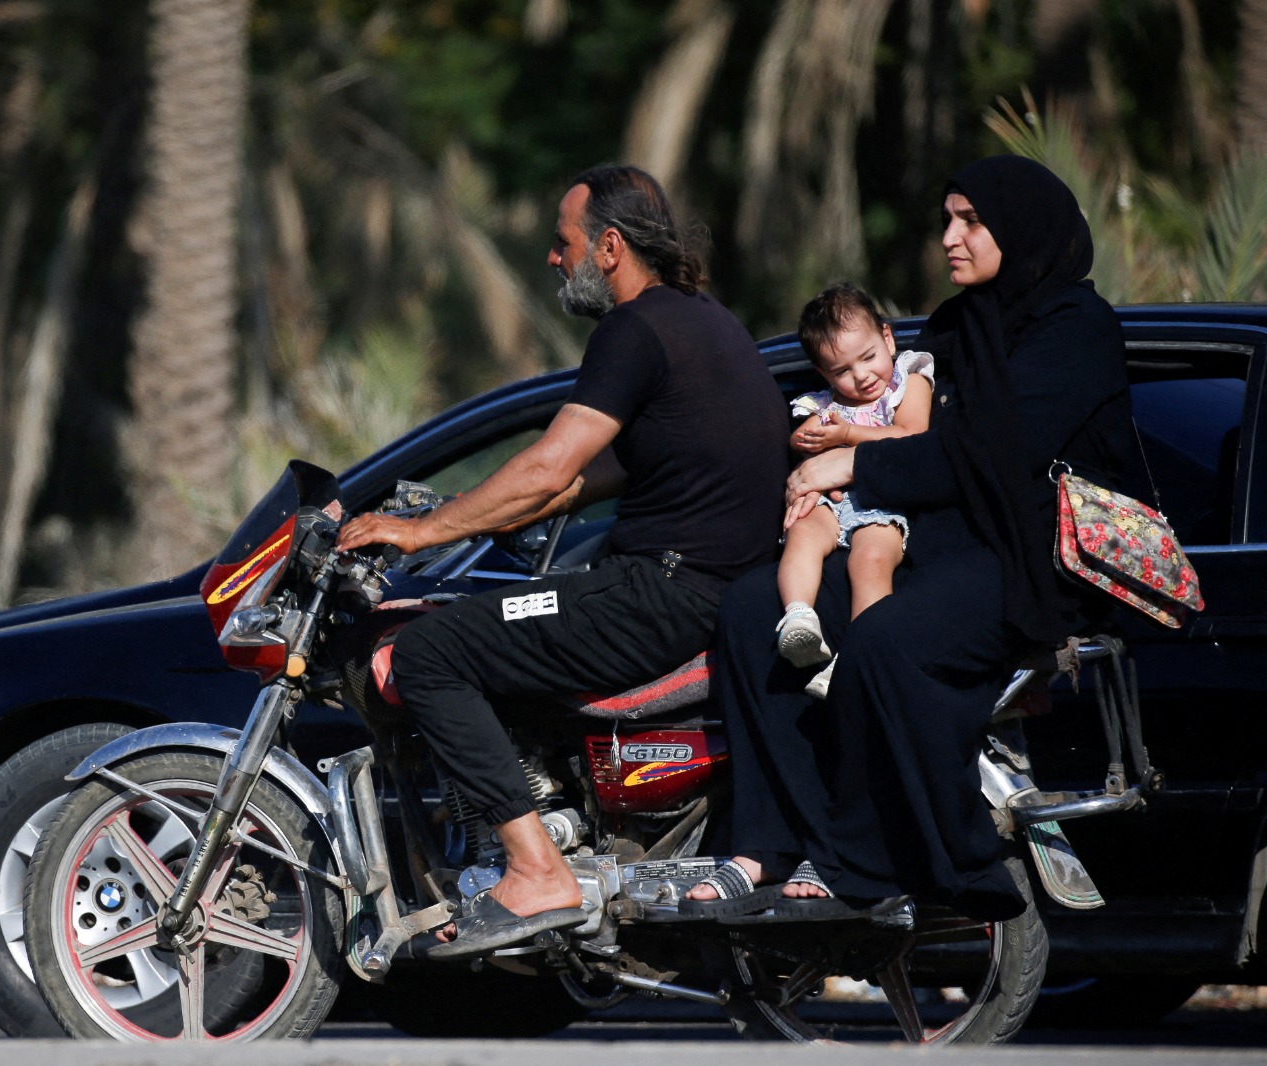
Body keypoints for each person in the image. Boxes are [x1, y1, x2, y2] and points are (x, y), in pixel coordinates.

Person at [336, 164, 789, 956]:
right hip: (703, 588)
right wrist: (467, 513)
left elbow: (550, 466)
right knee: (496, 637)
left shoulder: (633, 328)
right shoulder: (706, 320)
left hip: (657, 592)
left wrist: (417, 534)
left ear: (609, 248)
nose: (553, 258)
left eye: (563, 241)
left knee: (430, 650)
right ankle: (557, 841)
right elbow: (589, 478)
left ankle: (536, 870)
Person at [682, 154, 1139, 921]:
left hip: (1029, 558)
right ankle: (768, 840)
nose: (949, 239)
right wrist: (815, 475)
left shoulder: (1076, 330)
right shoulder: (960, 328)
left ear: (1020, 230)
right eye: (947, 220)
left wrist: (848, 461)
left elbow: (991, 453)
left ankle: (871, 859)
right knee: (755, 607)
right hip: (941, 540)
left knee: (884, 638)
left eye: (971, 221)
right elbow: (915, 446)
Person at [775, 284, 934, 700]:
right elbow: (798, 439)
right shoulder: (823, 403)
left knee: (870, 560)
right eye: (841, 371)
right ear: (824, 374)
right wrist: (806, 440)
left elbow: (911, 435)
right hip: (835, 501)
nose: (861, 376)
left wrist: (846, 433)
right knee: (802, 534)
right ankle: (798, 616)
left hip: (883, 505)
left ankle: (858, 654)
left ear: (887, 337)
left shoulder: (909, 381)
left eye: (867, 357)